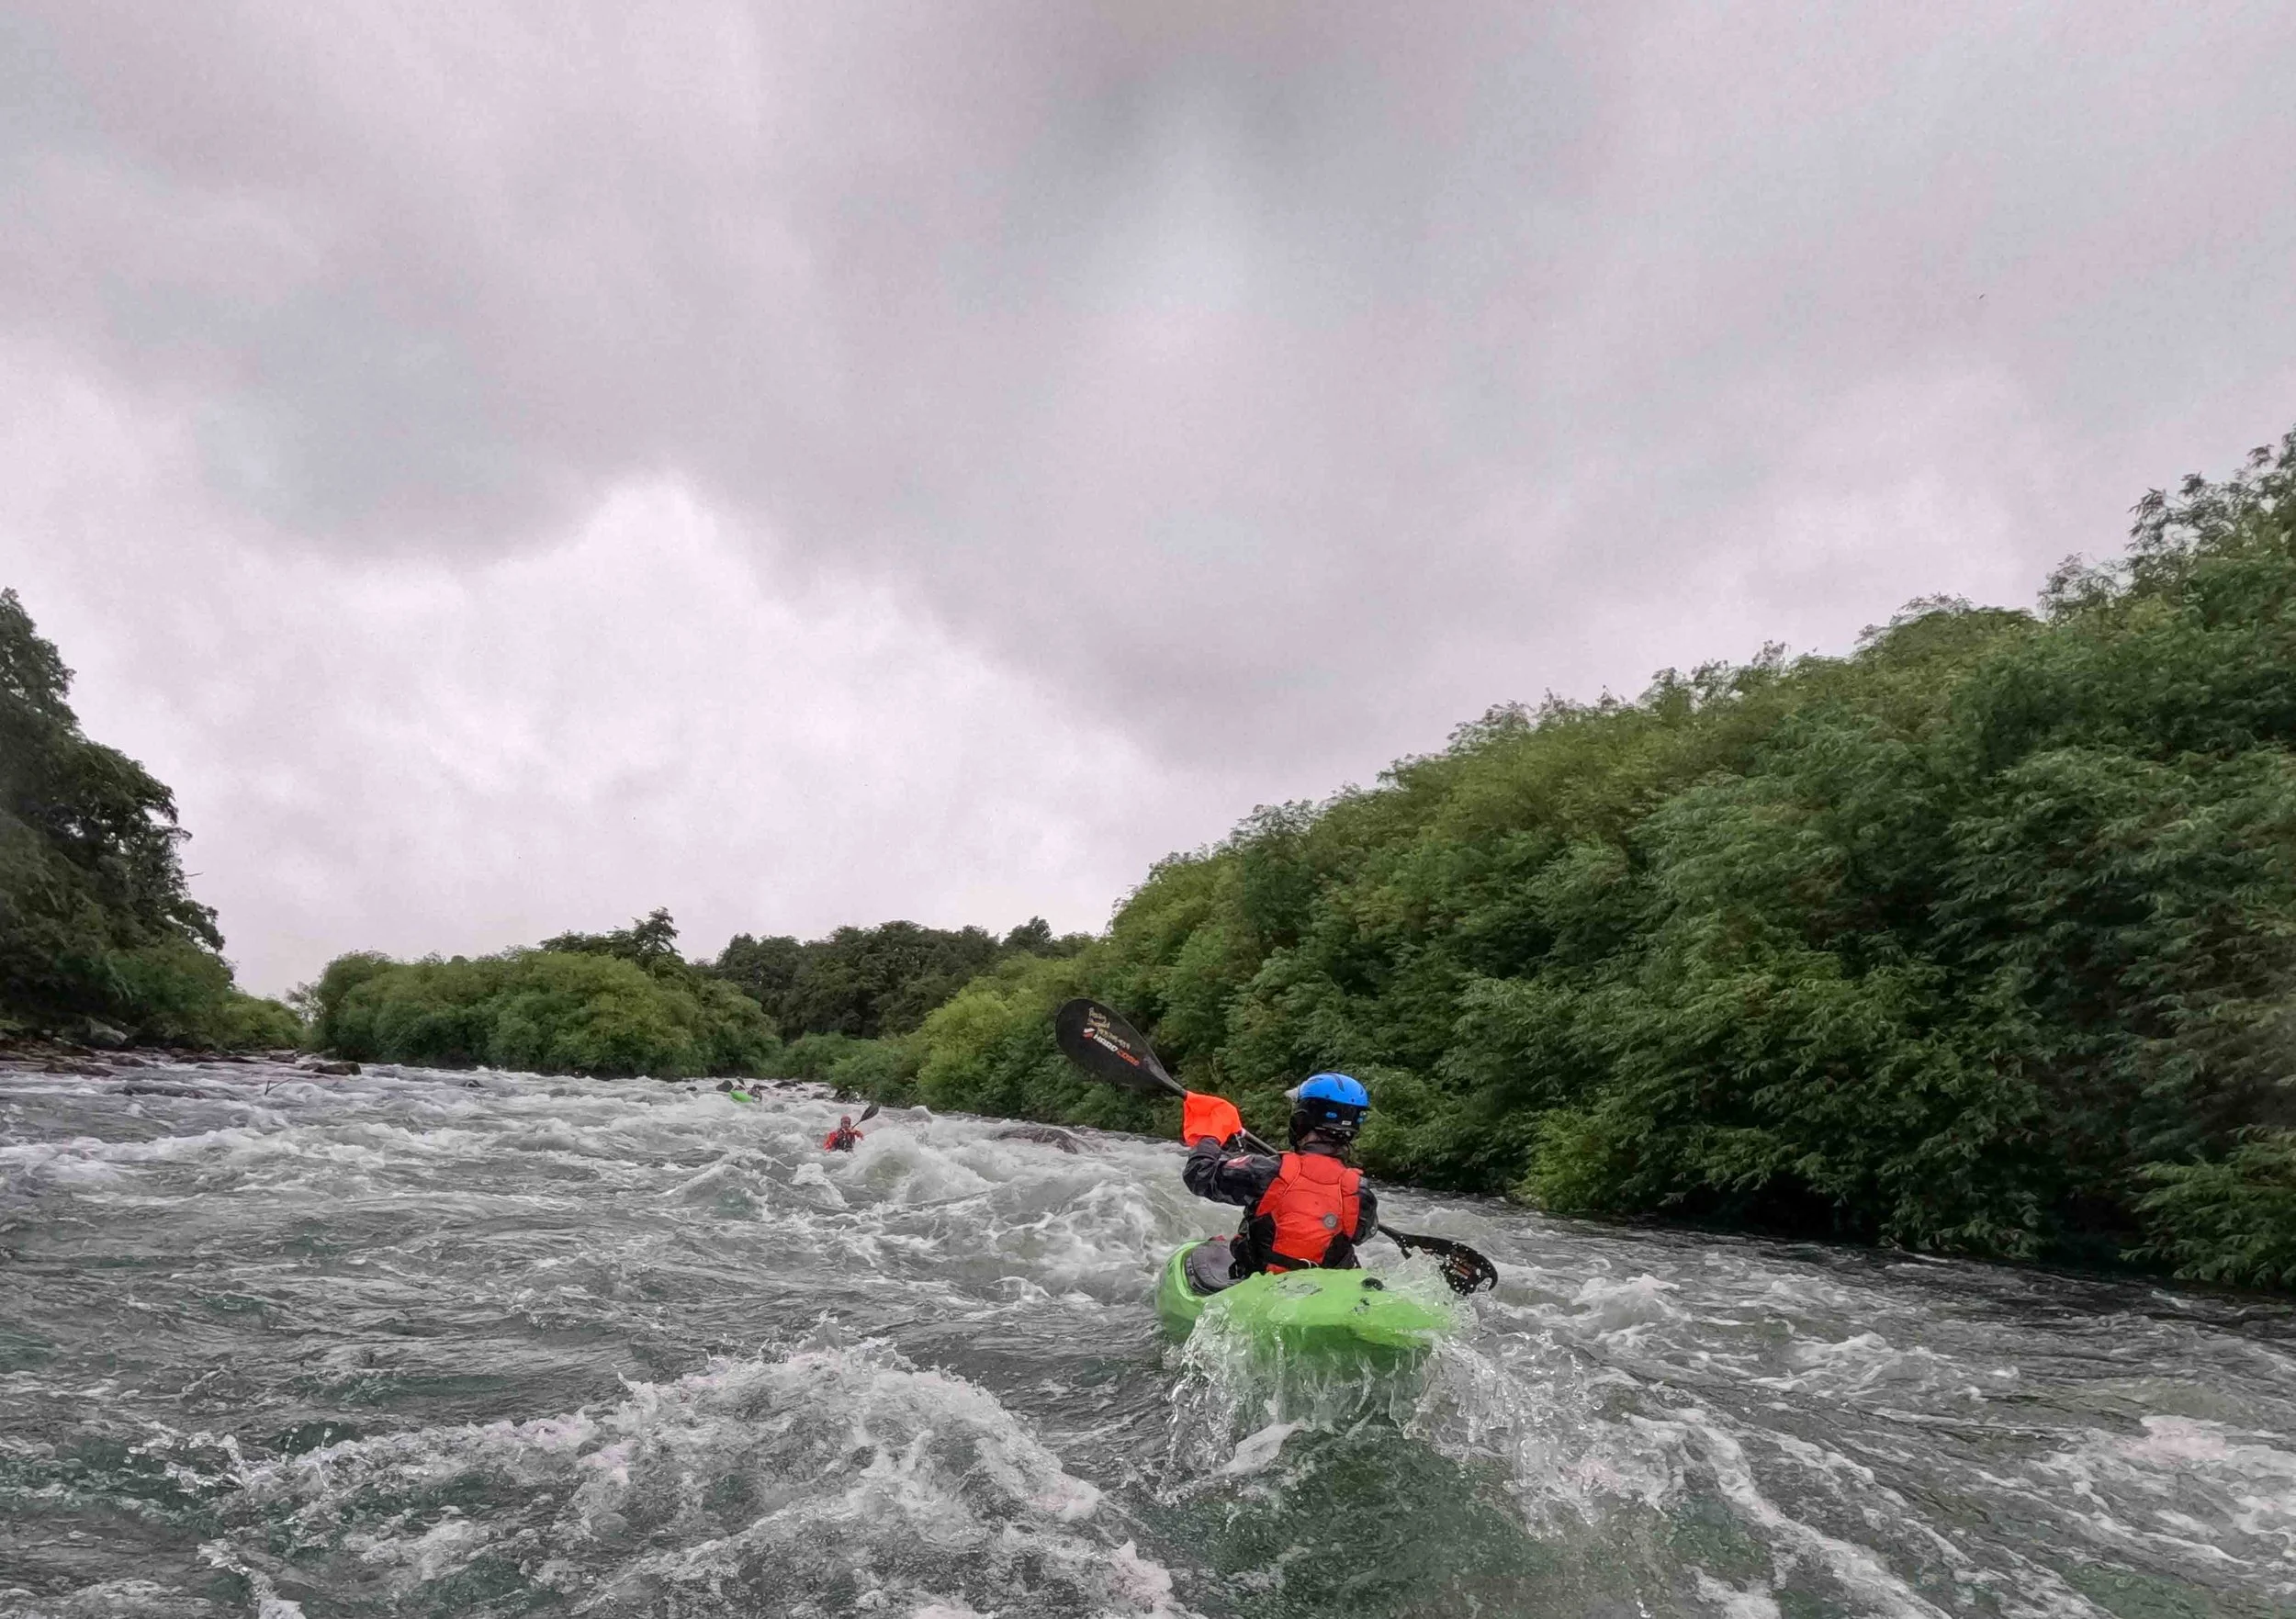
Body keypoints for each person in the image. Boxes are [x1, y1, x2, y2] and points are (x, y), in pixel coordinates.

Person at [1177, 1074, 1379, 1289]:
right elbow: (1360, 1233)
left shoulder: (1266, 1171)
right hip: (1322, 1295)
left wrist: (1210, 1137)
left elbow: (1199, 1175)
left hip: (1259, 1289)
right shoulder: (1361, 1192)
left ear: (1301, 1118)